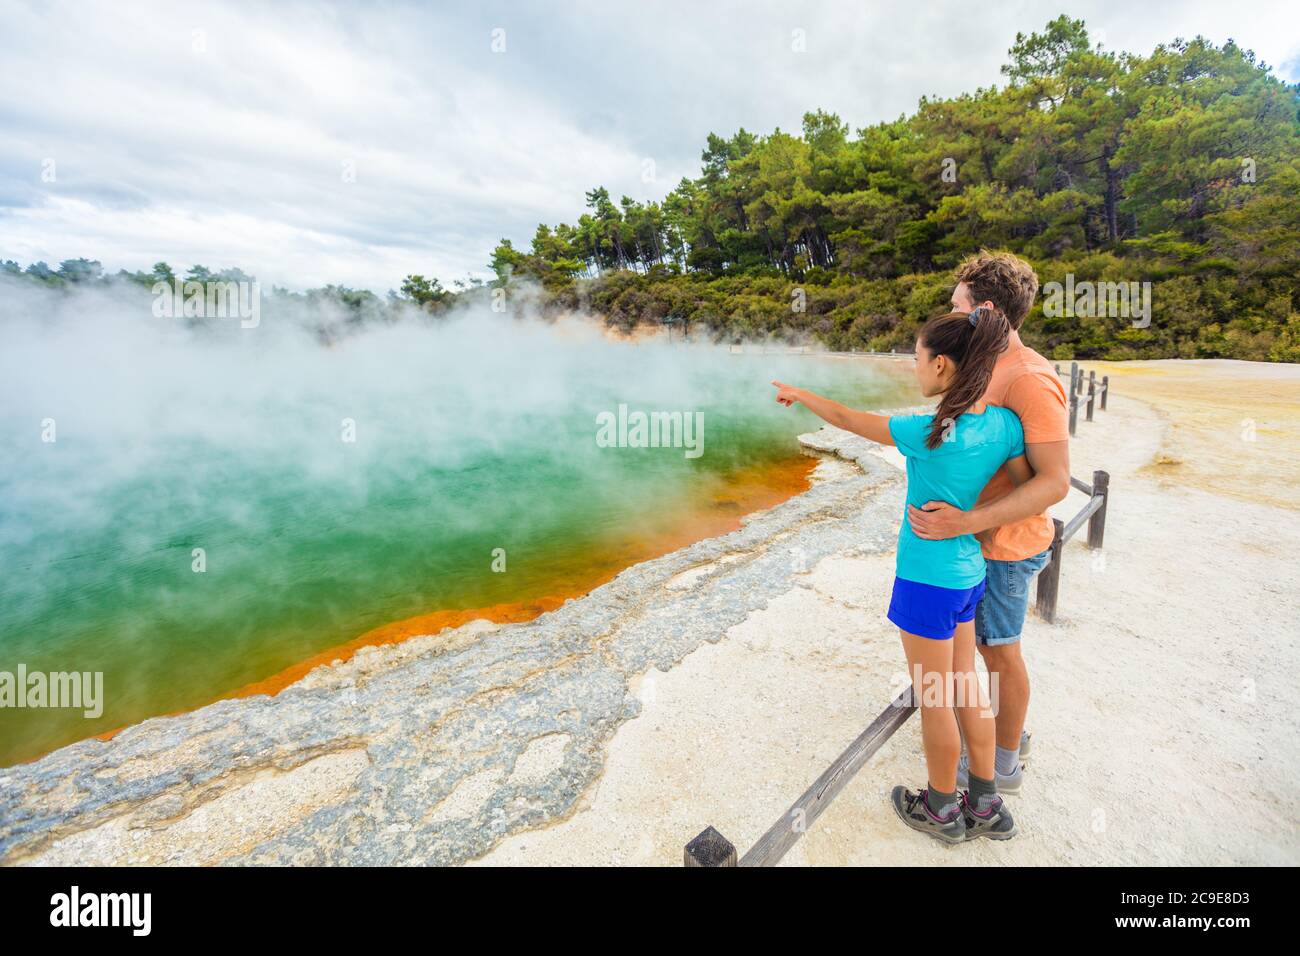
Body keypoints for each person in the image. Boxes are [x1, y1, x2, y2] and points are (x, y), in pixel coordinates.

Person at [772, 306, 1026, 844]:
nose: (914, 366)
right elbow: (1021, 484)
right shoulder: (1003, 425)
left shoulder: (928, 432)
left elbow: (846, 419)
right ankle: (984, 802)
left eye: (917, 357)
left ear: (941, 366)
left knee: (934, 696)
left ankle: (939, 809)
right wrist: (974, 518)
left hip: (926, 580)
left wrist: (801, 394)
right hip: (968, 574)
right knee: (966, 688)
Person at [906, 251, 1070, 795]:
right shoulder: (985, 365)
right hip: (975, 542)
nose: (950, 310)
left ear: (986, 310)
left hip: (1006, 543)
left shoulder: (1027, 378)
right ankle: (1000, 741)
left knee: (998, 650)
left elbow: (1054, 481)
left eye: (957, 304)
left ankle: (1002, 763)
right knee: (976, 655)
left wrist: (969, 520)